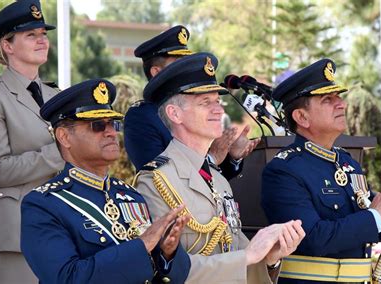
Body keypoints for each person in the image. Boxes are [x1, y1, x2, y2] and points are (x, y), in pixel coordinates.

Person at [135, 52, 305, 283]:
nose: (219, 110)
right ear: (175, 114)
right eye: (206, 102)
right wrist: (249, 255)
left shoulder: (218, 178)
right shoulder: (155, 180)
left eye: (217, 101)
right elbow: (165, 270)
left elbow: (236, 253)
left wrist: (269, 258)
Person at [20, 79, 191, 283]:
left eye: (113, 124)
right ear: (64, 137)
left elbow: (177, 276)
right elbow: (66, 278)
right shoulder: (43, 205)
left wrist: (166, 254)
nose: (111, 132)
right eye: (97, 125)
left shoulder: (130, 195)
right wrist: (141, 246)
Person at [261, 58, 381, 283]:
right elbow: (312, 238)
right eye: (327, 99)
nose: (341, 104)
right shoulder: (283, 171)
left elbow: (374, 229)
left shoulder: (347, 162)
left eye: (338, 97)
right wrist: (376, 215)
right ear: (301, 117)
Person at [0, 1, 64, 283]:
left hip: (59, 227)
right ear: (7, 46)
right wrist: (59, 152)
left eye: (43, 34)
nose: (42, 40)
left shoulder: (56, 95)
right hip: (15, 232)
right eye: (31, 35)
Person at [124, 25, 258, 179]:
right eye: (177, 65)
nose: (184, 71)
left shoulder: (195, 108)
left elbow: (212, 178)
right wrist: (212, 158)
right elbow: (158, 176)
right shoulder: (142, 116)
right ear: (156, 72)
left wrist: (231, 157)